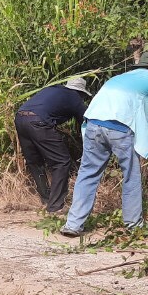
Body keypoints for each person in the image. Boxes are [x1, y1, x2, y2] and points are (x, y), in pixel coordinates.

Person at [60, 52, 148, 236]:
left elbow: (126, 112)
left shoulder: (120, 78)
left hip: (93, 123)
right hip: (120, 130)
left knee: (87, 174)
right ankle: (134, 225)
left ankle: (73, 225)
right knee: (131, 175)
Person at [15, 77, 92, 213]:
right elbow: (86, 122)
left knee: (34, 162)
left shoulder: (52, 89)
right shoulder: (75, 97)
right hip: (38, 122)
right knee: (62, 162)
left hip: (20, 118)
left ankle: (46, 199)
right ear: (80, 92)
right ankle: (55, 206)